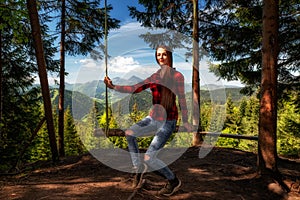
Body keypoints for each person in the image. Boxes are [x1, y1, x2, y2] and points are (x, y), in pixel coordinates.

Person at [104, 45, 192, 196]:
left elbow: (182, 100)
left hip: (167, 122)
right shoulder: (155, 76)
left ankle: (173, 181)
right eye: (158, 55)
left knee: (150, 158)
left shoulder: (177, 77)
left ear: (169, 56)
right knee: (130, 133)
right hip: (152, 118)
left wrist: (185, 121)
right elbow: (135, 88)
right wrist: (113, 87)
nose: (161, 57)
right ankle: (137, 168)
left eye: (164, 54)